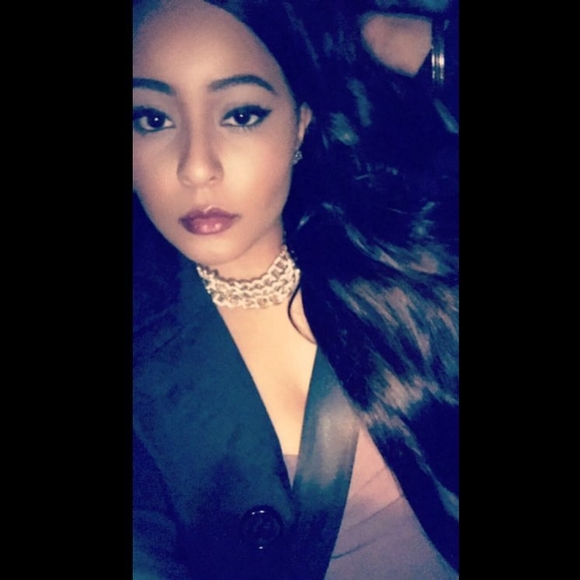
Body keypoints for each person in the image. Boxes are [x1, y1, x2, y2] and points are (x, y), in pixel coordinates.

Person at [132, 1, 459, 578]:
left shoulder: (406, 257)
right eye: (153, 119)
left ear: (301, 126)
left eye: (241, 114)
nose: (196, 167)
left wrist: (386, 35)